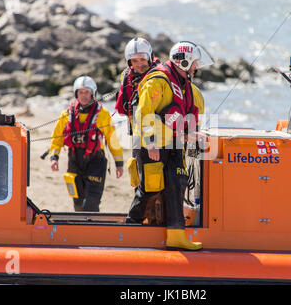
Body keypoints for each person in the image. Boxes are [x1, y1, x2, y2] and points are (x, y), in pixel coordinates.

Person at [131, 41, 213, 250]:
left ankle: (176, 235)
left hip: (175, 146)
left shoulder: (188, 88)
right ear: (183, 61)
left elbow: (186, 120)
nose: (196, 67)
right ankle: (130, 228)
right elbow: (143, 113)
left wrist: (192, 135)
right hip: (153, 146)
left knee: (177, 185)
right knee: (149, 190)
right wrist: (150, 144)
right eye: (194, 63)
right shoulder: (157, 82)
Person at [49, 76, 123, 212]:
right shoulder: (66, 114)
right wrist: (54, 158)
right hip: (74, 160)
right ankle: (79, 229)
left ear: (92, 93)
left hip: (96, 160)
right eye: (80, 92)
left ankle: (92, 229)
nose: (83, 96)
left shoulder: (103, 114)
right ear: (76, 93)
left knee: (91, 203)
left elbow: (113, 140)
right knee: (77, 202)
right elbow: (57, 139)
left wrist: (119, 164)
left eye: (87, 92)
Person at [114, 37, 165, 225]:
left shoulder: (158, 77)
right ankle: (141, 221)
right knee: (140, 179)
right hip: (138, 136)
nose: (139, 64)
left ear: (150, 57)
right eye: (134, 61)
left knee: (154, 183)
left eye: (142, 59)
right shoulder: (127, 77)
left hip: (156, 137)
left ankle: (148, 220)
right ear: (129, 62)